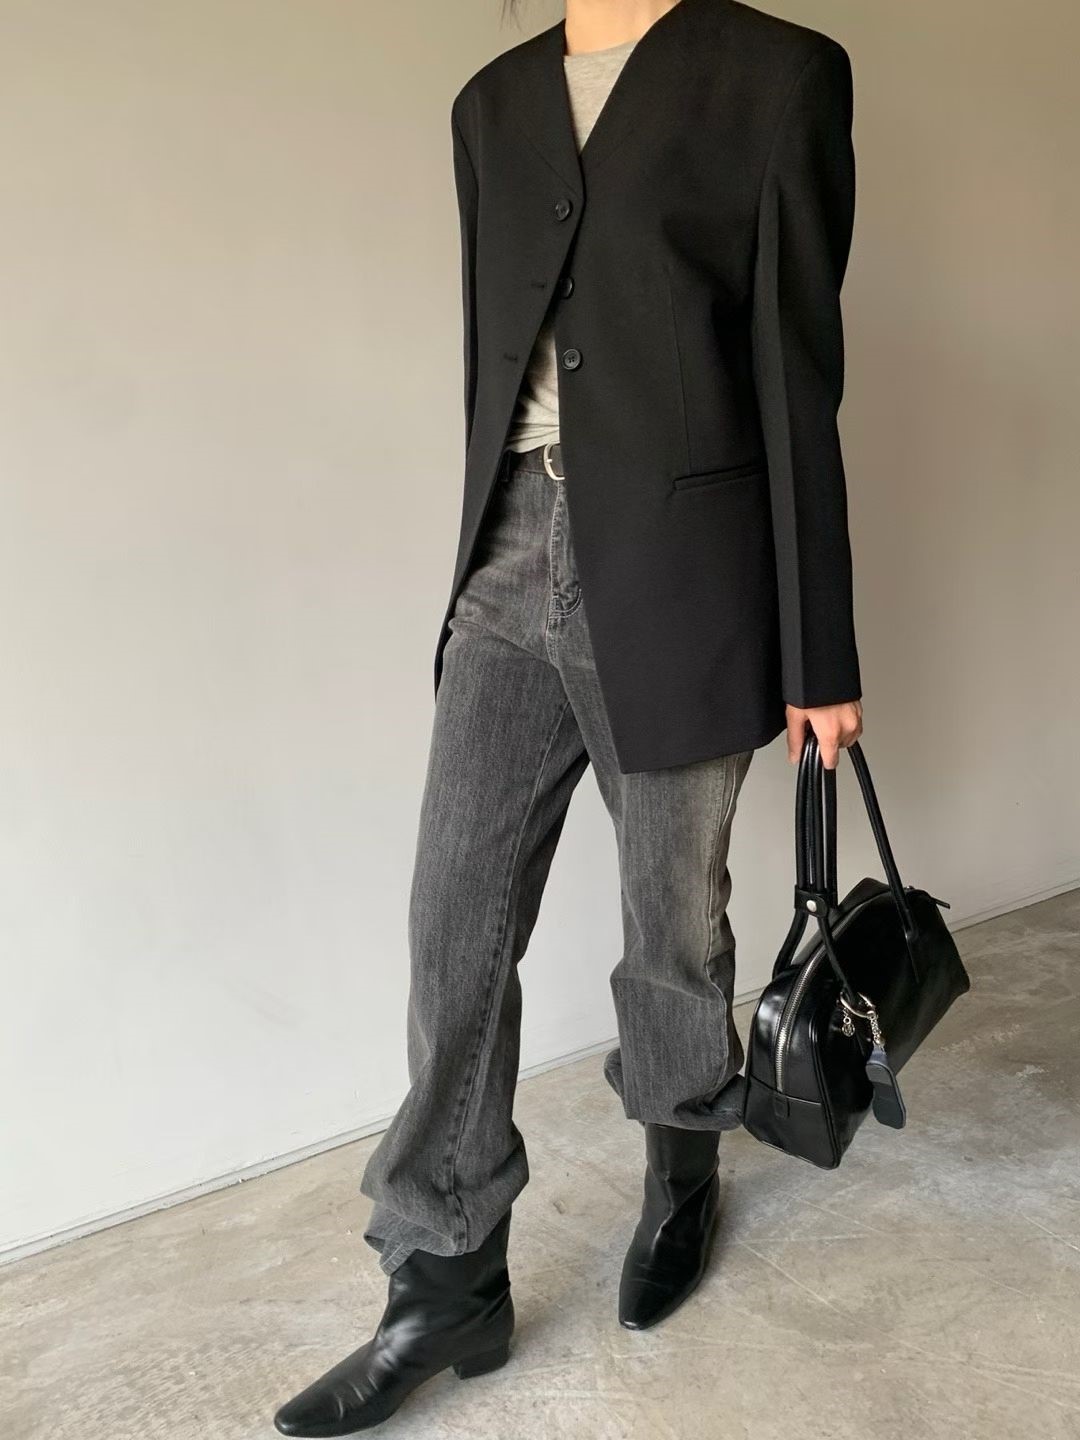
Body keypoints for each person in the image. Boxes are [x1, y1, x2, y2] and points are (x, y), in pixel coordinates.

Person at [273, 0, 863, 1432]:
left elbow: (796, 371)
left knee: (674, 926)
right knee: (453, 925)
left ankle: (682, 1167)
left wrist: (820, 647)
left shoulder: (777, 76)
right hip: (508, 557)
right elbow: (506, 363)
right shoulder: (490, 104)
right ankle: (443, 1277)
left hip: (683, 570)